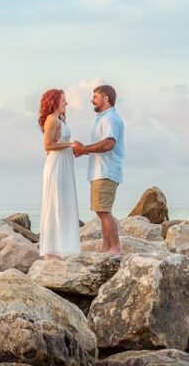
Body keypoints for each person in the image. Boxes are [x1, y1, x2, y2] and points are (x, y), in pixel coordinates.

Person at [72, 84, 125, 255]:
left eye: (95, 97)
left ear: (106, 98)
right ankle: (106, 247)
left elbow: (109, 143)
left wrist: (84, 149)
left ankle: (115, 248)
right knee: (101, 211)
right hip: (99, 171)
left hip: (106, 170)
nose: (92, 100)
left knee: (103, 211)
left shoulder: (110, 118)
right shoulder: (103, 117)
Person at [37, 89, 80, 260]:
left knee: (64, 204)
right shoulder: (52, 120)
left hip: (62, 165)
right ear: (54, 102)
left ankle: (62, 247)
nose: (66, 103)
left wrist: (69, 148)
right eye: (63, 100)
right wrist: (70, 145)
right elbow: (48, 146)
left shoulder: (58, 120)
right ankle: (52, 250)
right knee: (56, 205)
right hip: (57, 166)